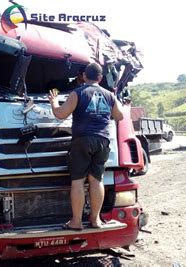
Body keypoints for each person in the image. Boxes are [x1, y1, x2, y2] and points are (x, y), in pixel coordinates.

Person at [48, 62, 124, 230]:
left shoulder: (78, 93)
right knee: (97, 180)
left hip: (82, 140)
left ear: (83, 76)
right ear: (101, 78)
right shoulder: (109, 95)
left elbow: (60, 114)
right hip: (103, 141)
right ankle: (95, 220)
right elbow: (119, 116)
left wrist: (53, 102)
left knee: (78, 181)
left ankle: (76, 222)